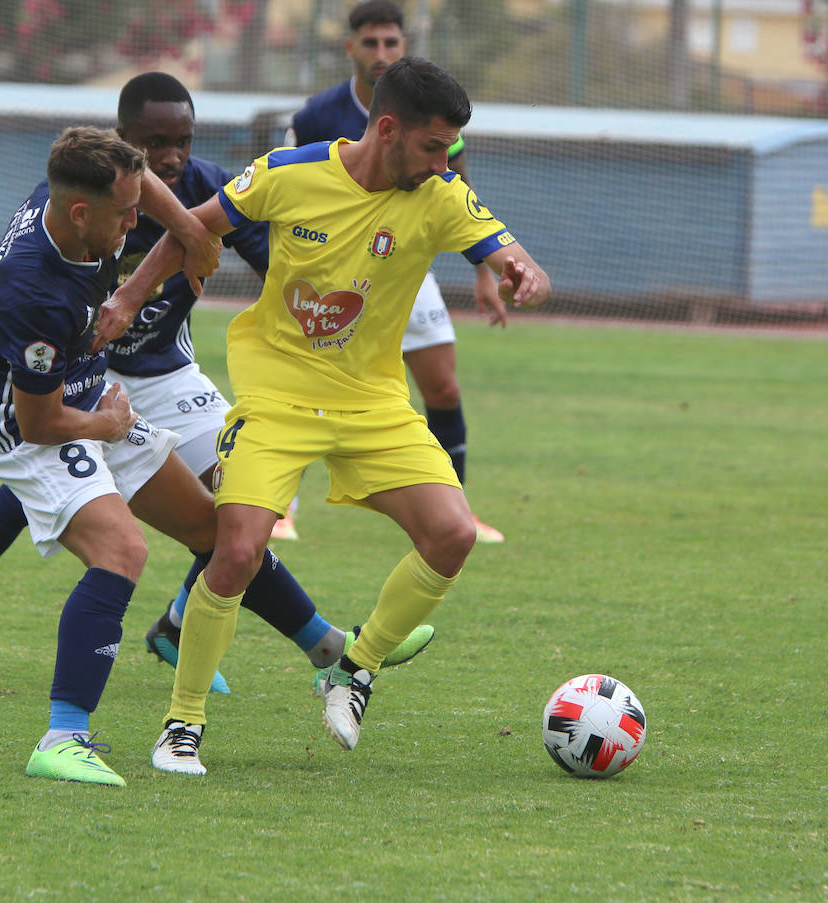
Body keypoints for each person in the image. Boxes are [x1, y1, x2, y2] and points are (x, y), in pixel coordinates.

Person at [0, 77, 434, 775]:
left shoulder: (89, 198)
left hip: (91, 389)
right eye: (125, 217)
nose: (137, 226)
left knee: (216, 533)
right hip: (36, 423)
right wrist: (102, 426)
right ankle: (59, 739)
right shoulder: (35, 291)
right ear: (81, 214)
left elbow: (155, 197)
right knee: (121, 550)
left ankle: (322, 649)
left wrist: (192, 233)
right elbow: (39, 418)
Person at [100, 58, 551, 771]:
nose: (446, 164)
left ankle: (354, 668)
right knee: (238, 549)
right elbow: (190, 228)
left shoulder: (441, 196)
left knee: (453, 534)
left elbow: (507, 250)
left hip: (372, 402)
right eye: (435, 147)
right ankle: (182, 722)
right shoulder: (288, 172)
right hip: (278, 396)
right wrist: (128, 299)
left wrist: (521, 270)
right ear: (390, 128)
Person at [277, 0, 507, 546]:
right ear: (351, 46)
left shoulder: (430, 110)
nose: (382, 52)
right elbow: (283, 197)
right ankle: (281, 507)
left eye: (392, 43)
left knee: (444, 386)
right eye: (371, 43)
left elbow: (459, 189)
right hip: (331, 277)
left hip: (404, 271)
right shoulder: (315, 115)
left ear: (404, 46)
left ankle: (459, 507)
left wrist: (485, 272)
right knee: (298, 389)